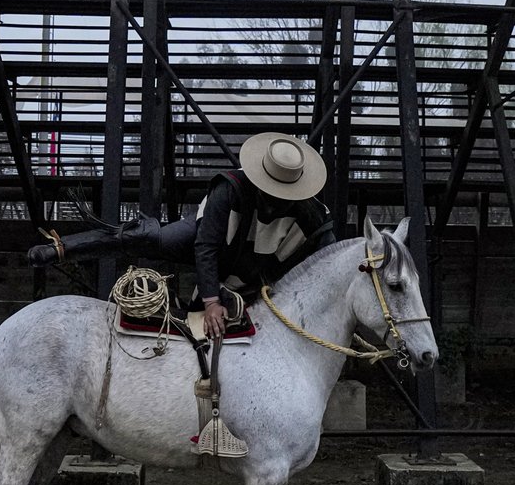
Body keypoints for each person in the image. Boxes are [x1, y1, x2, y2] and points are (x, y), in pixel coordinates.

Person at [27, 132, 337, 338]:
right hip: (210, 239)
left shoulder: (315, 216)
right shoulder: (228, 189)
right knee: (149, 238)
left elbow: (332, 263)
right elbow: (205, 247)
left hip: (257, 269)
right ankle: (64, 247)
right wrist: (212, 300)